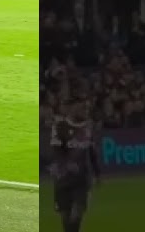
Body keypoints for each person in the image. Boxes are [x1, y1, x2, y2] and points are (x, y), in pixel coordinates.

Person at [48, 99, 99, 232]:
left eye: (87, 109)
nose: (86, 111)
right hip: (63, 179)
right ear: (73, 109)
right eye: (83, 108)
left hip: (82, 180)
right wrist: (66, 164)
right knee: (65, 218)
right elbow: (56, 151)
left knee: (77, 214)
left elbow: (92, 152)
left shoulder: (88, 127)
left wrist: (97, 173)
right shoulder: (59, 127)